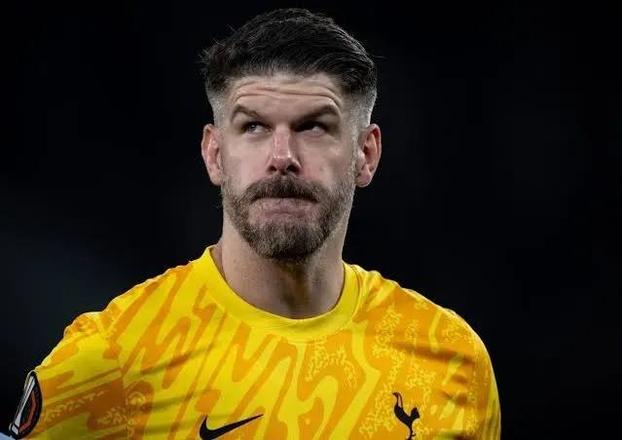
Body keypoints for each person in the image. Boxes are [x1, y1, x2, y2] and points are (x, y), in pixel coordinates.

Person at [8, 8, 500, 439]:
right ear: (215, 153)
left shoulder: (450, 360)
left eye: (314, 126)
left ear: (365, 154)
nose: (282, 156)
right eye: (254, 126)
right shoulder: (111, 360)